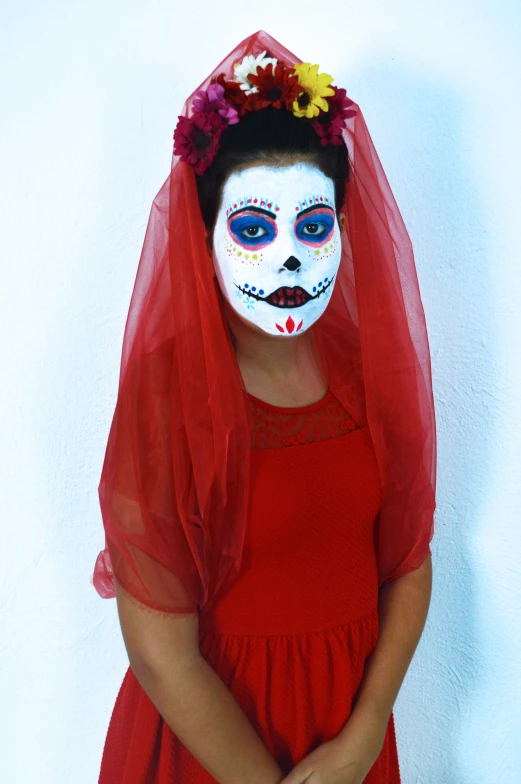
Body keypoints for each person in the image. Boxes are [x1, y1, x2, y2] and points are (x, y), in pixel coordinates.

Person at [92, 30, 436, 783]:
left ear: (343, 227)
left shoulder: (367, 373)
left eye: (312, 227)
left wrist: (366, 730)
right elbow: (158, 651)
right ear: (204, 233)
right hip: (209, 744)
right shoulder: (167, 397)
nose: (287, 257)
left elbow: (408, 563)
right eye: (253, 229)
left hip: (342, 741)